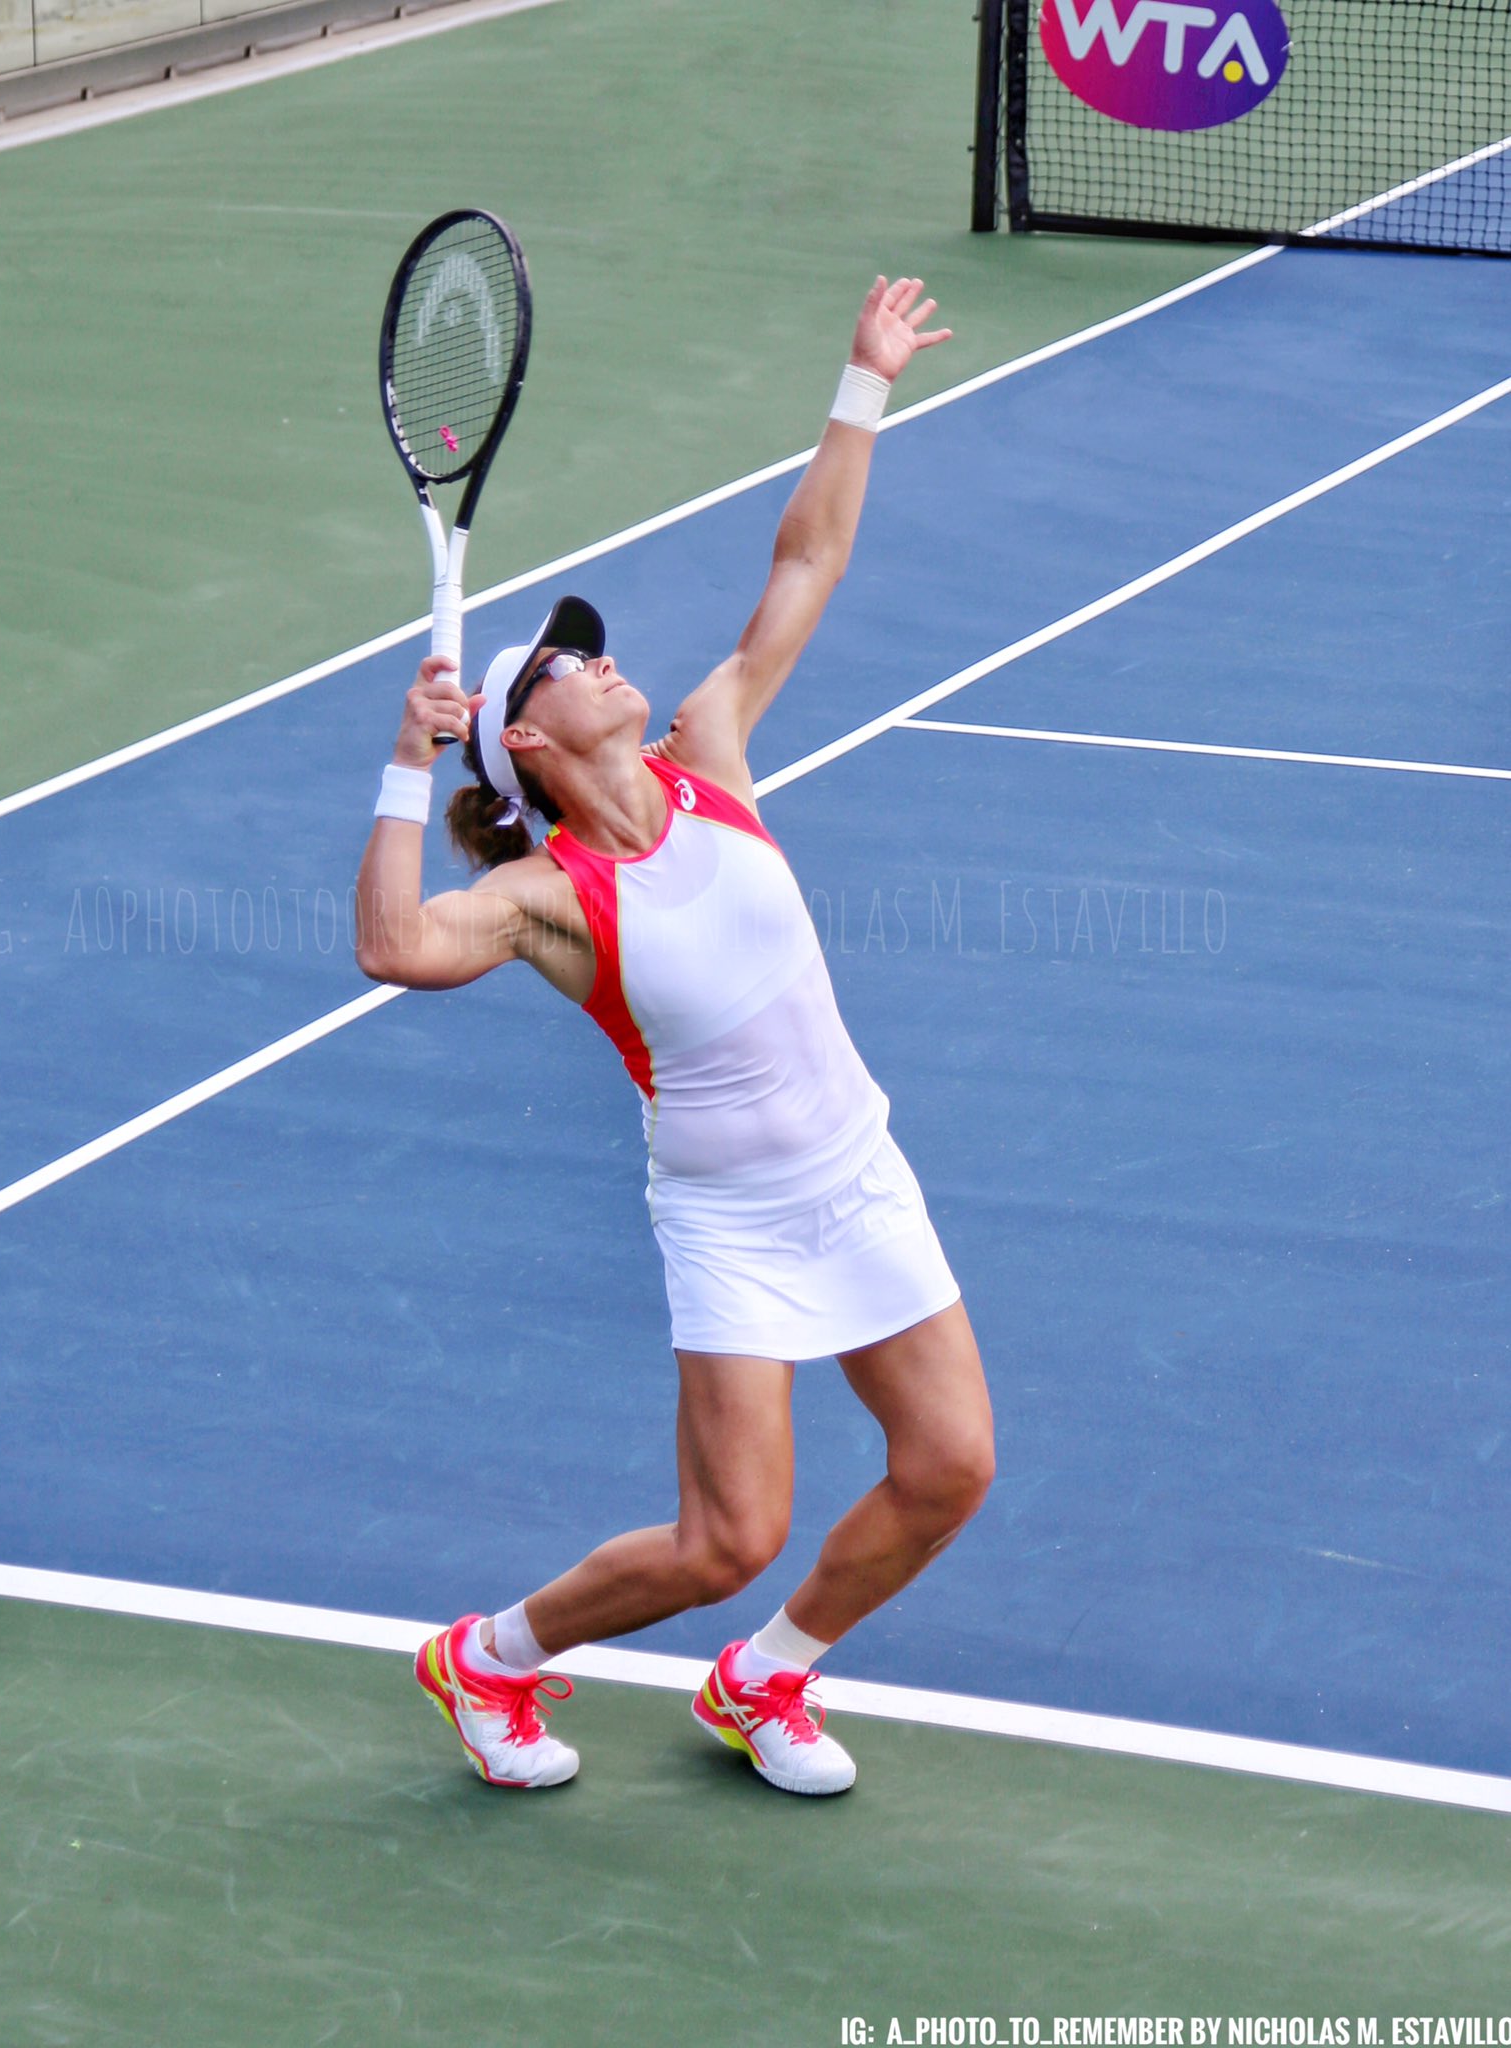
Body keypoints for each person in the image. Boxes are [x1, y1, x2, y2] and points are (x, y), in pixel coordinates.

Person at [353, 276, 993, 1798]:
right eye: (564, 666)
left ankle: (764, 1678)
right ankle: (489, 1657)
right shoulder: (545, 898)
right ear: (524, 740)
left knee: (949, 1467)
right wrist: (399, 764)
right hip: (734, 1220)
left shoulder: (711, 754)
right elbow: (393, 949)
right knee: (725, 1540)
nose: (601, 659)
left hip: (859, 1173)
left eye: (592, 648)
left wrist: (862, 385)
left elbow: (806, 559)